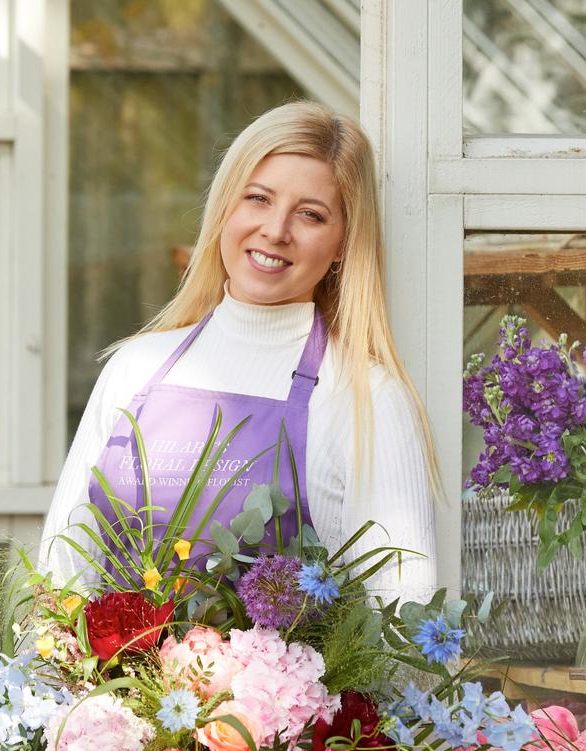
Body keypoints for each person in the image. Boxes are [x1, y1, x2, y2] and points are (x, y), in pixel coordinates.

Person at [38, 101, 438, 602]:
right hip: (102, 684)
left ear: (343, 244)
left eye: (310, 214)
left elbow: (404, 619)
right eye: (258, 199)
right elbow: (61, 571)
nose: (275, 230)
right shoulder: (134, 368)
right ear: (225, 206)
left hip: (292, 683)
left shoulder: (366, 398)